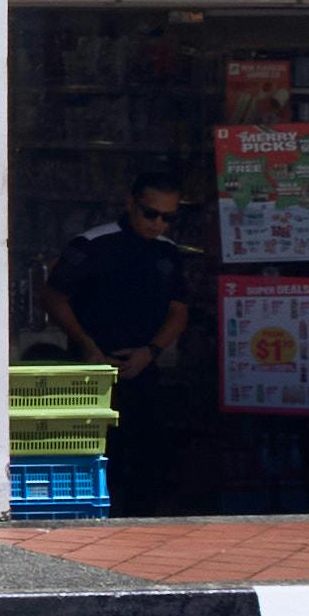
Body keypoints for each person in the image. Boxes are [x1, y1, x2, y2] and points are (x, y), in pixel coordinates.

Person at [51, 175, 198, 506]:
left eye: (169, 217)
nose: (158, 223)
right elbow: (53, 296)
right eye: (151, 213)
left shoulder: (168, 252)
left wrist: (152, 350)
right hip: (89, 371)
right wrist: (88, 346)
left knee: (148, 459)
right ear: (132, 204)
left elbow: (179, 310)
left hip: (143, 367)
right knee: (93, 458)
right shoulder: (92, 244)